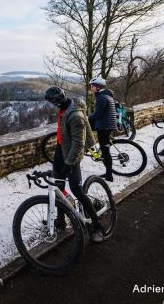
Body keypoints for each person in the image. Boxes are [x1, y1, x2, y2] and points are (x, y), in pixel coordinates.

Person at [44, 86, 106, 243]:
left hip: (72, 155)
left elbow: (79, 145)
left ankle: (97, 225)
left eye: (52, 102)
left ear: (57, 102)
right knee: (58, 187)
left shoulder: (75, 116)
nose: (52, 105)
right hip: (61, 151)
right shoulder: (63, 109)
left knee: (77, 190)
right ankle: (60, 220)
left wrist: (69, 164)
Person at [87, 77, 118, 182]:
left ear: (98, 87)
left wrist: (88, 117)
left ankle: (109, 175)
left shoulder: (101, 97)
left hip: (105, 126)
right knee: (105, 149)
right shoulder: (106, 95)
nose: (91, 87)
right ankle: (108, 172)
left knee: (105, 151)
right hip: (107, 125)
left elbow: (98, 114)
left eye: (92, 86)